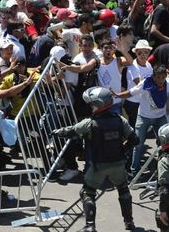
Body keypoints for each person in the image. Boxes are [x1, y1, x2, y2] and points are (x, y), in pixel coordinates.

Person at [52, 86, 139, 232]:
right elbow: (135, 139)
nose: (90, 106)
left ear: (98, 105)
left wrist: (55, 132)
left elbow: (71, 131)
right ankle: (129, 222)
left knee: (88, 192)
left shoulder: (89, 123)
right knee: (123, 190)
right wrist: (122, 150)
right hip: (118, 163)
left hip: (97, 165)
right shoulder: (120, 120)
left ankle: (90, 226)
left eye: (92, 104)